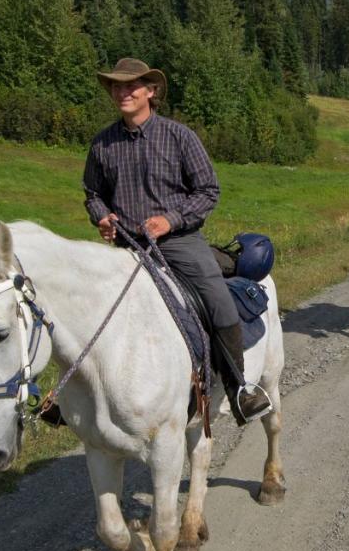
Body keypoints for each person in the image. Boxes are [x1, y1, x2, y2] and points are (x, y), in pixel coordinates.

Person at [82, 57, 272, 425]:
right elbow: (93, 193)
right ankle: (81, 396)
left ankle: (238, 389)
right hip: (126, 246)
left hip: (179, 243)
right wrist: (101, 216)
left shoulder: (178, 136)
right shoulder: (103, 144)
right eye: (116, 87)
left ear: (150, 92)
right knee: (86, 303)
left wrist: (170, 220)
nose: (122, 92)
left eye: (131, 86)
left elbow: (207, 190)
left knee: (217, 299)